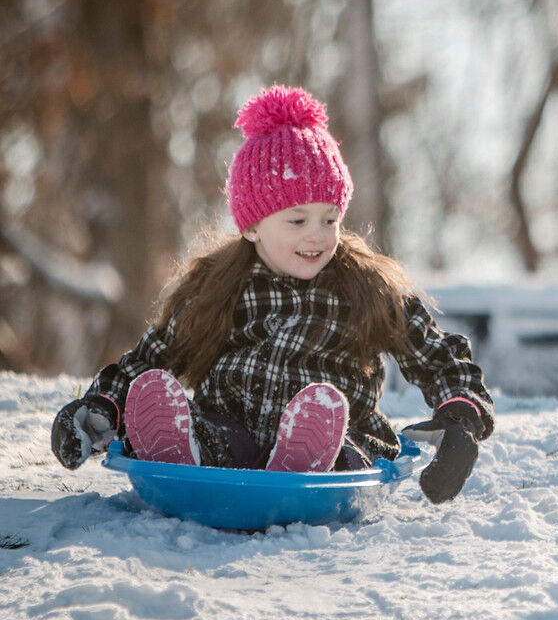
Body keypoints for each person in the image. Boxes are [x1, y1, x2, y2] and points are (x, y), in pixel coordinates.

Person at [51, 86, 493, 503]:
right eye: (297, 221)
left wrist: (458, 417)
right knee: (197, 422)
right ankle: (180, 449)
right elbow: (153, 354)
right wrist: (103, 405)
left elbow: (436, 353)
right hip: (232, 435)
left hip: (337, 438)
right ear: (252, 225)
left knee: (332, 425)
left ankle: (307, 458)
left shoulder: (366, 286)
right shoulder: (220, 287)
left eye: (330, 218)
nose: (318, 236)